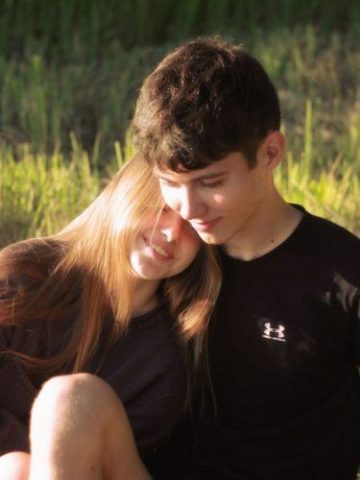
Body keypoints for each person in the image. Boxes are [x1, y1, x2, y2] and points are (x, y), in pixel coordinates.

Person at [131, 36, 360, 479]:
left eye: (210, 182)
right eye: (170, 183)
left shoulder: (344, 276)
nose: (188, 207)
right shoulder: (166, 253)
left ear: (271, 152)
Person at [0, 154, 221, 480]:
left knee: (71, 400)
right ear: (129, 192)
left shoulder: (165, 363)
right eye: (161, 205)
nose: (172, 232)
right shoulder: (25, 276)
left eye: (191, 223)